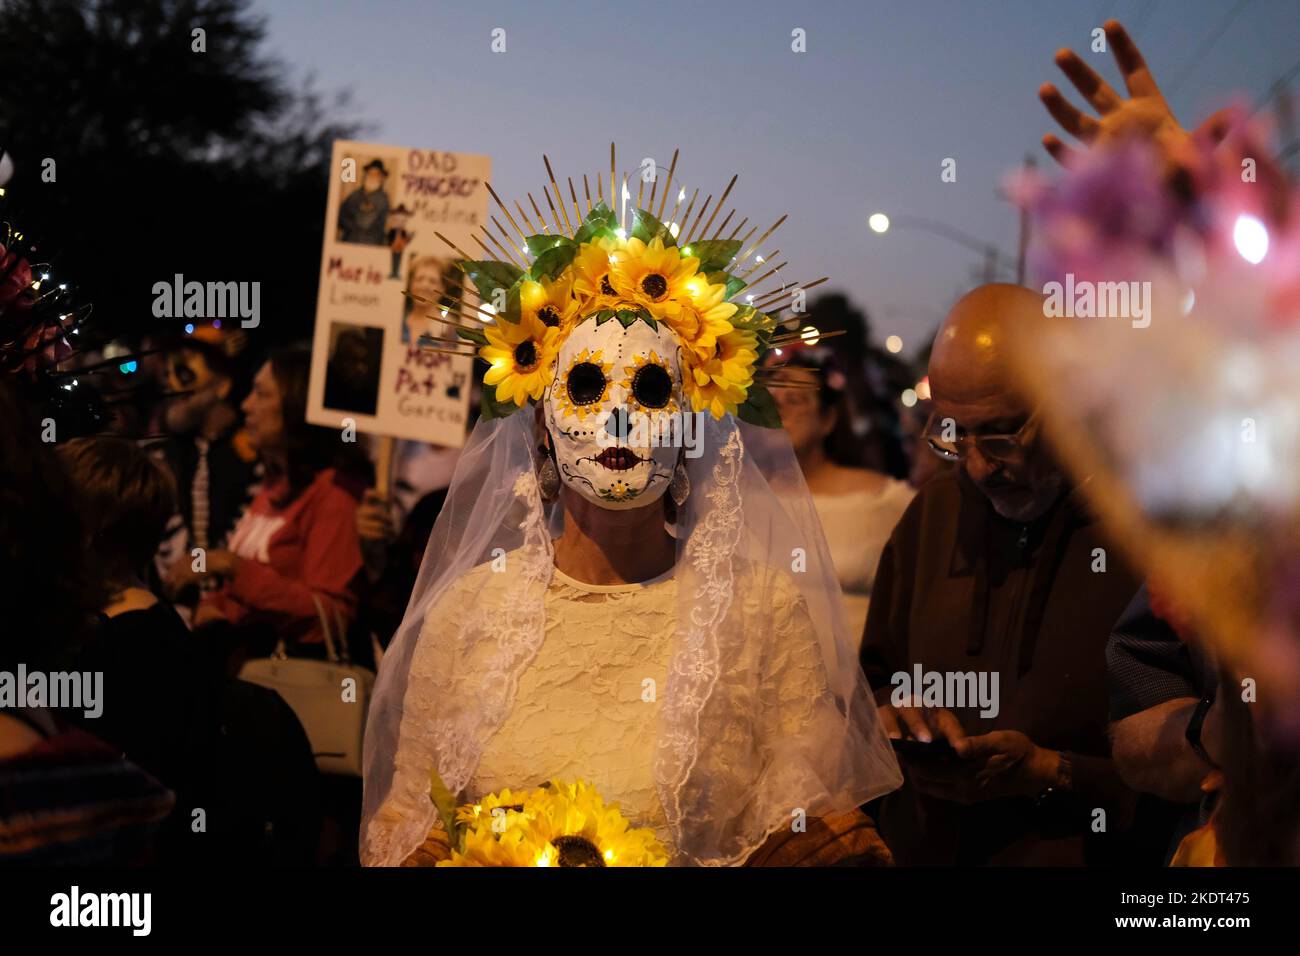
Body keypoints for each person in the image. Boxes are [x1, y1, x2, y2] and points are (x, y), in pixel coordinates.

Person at [360, 156, 903, 867]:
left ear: (692, 426)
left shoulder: (758, 610)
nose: (617, 421)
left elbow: (812, 837)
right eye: (585, 385)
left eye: (650, 389)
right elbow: (408, 826)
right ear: (543, 424)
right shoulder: (468, 612)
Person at [860, 284, 1143, 865]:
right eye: (954, 434)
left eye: (1002, 434)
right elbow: (873, 681)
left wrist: (1054, 772)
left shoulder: (1146, 532)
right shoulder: (935, 513)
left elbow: (1200, 763)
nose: (979, 467)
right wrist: (895, 715)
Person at [167, 348, 367, 657]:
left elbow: (332, 616)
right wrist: (214, 606)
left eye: (261, 394)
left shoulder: (335, 494)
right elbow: (246, 591)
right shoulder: (276, 483)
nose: (246, 405)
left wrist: (230, 565)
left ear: (297, 404)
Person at [768, 349, 913, 640]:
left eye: (795, 400)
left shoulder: (884, 501)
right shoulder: (736, 500)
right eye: (769, 402)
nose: (779, 410)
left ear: (828, 420)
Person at [151, 324, 259, 615]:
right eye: (169, 373)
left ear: (223, 385)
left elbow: (251, 537)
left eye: (185, 373)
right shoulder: (167, 456)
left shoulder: (253, 455)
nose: (172, 386)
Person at [337, 158, 390, 245]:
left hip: (371, 246)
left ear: (381, 178)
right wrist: (352, 226)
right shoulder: (354, 195)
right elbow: (340, 216)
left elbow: (365, 222)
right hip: (349, 242)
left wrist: (355, 220)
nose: (372, 176)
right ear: (366, 174)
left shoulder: (383, 199)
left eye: (376, 174)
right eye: (370, 173)